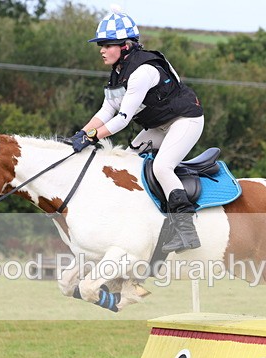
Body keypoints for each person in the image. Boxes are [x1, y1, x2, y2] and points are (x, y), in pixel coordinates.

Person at [71, 9, 205, 252]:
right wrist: (80, 135)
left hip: (185, 121)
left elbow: (122, 119)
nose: (101, 50)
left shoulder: (142, 71)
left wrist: (91, 137)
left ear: (125, 46)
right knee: (128, 161)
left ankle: (187, 231)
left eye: (107, 45)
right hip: (159, 125)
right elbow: (106, 110)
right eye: (101, 45)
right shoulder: (118, 72)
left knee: (162, 167)